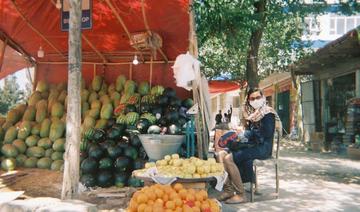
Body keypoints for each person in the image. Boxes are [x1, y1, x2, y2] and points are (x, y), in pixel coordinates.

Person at [217, 87, 280, 204]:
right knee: (221, 154)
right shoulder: (253, 114)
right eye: (252, 98)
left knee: (229, 158)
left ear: (263, 98)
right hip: (252, 145)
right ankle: (228, 189)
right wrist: (240, 134)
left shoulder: (268, 113)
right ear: (249, 100)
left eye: (258, 97)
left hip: (263, 148)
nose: (255, 100)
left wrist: (245, 133)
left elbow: (266, 133)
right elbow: (249, 134)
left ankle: (241, 194)